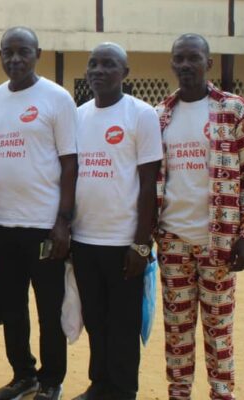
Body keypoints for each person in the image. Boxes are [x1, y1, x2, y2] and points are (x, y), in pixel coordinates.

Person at [155, 33, 244, 400]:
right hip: (172, 241)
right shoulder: (161, 115)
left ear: (208, 63)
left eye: (193, 58)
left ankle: (221, 393)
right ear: (172, 64)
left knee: (219, 330)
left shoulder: (235, 110)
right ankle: (179, 393)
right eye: (178, 59)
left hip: (219, 243)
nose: (185, 65)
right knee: (176, 328)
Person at [0, 27, 78, 400]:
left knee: (48, 308)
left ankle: (51, 380)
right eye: (8, 52)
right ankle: (23, 374)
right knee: (12, 306)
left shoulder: (57, 98)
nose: (15, 60)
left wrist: (62, 222)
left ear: (37, 53)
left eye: (23, 52)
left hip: (43, 227)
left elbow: (70, 164)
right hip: (1, 224)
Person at [70, 43, 163, 400]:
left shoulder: (141, 115)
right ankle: (100, 384)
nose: (98, 70)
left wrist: (141, 242)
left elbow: (148, 184)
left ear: (125, 73)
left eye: (109, 65)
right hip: (85, 239)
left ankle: (123, 391)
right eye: (93, 64)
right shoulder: (78, 115)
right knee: (95, 319)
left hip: (124, 242)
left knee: (123, 324)